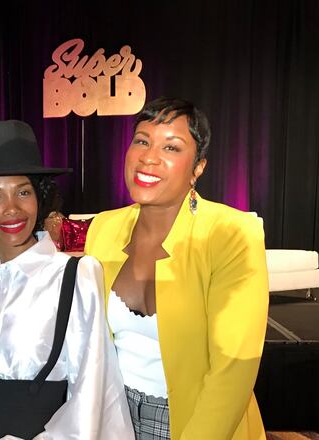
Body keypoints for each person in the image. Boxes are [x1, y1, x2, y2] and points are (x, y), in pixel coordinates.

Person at [85, 97, 269, 440]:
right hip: (113, 415)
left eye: (171, 147)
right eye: (142, 140)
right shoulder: (103, 229)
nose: (149, 157)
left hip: (194, 418)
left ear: (198, 166)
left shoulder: (230, 232)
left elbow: (234, 366)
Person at [0, 120, 134, 440]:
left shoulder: (75, 277)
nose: (12, 209)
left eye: (23, 192)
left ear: (38, 197)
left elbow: (93, 390)